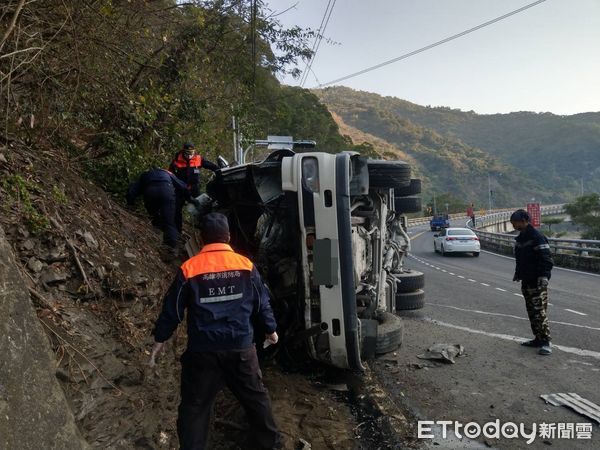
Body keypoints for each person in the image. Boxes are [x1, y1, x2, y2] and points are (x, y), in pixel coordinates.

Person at [149, 213, 280, 449]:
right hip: (240, 348)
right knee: (256, 400)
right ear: (228, 237)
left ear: (201, 238)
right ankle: (268, 445)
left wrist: (160, 338)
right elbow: (262, 303)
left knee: (195, 408)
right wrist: (270, 330)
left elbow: (173, 309)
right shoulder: (245, 265)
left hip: (203, 352)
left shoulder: (190, 268)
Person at [510, 209, 554, 355]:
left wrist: (544, 276)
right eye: (512, 223)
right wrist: (518, 274)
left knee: (539, 311)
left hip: (537, 281)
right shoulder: (520, 238)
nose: (513, 225)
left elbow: (546, 258)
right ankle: (537, 339)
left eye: (515, 222)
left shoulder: (537, 237)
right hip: (526, 280)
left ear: (524, 221)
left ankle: (546, 342)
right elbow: (520, 260)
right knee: (531, 311)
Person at [126, 168, 190, 257]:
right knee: (169, 222)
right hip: (166, 191)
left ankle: (157, 229)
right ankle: (171, 249)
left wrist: (130, 204)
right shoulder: (167, 173)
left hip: (150, 192)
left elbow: (133, 190)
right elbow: (182, 186)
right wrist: (190, 198)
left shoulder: (145, 174)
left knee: (154, 215)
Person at [169, 142, 219, 233]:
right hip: (181, 190)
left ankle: (202, 230)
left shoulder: (198, 159)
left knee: (202, 208)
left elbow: (210, 166)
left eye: (191, 153)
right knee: (177, 210)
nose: (189, 155)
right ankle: (178, 231)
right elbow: (170, 175)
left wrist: (219, 170)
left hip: (194, 189)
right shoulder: (176, 161)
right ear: (183, 151)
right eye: (187, 153)